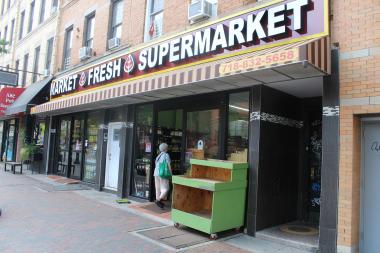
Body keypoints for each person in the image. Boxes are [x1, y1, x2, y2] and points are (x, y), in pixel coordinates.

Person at [154, 143, 171, 209]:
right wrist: (171, 173)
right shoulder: (166, 155)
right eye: (167, 147)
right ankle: (158, 200)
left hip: (156, 173)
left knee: (158, 188)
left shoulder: (158, 156)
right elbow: (168, 165)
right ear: (166, 148)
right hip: (163, 173)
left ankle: (159, 201)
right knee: (166, 189)